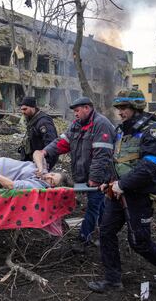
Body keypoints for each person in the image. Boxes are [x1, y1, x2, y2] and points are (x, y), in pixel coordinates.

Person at [88, 89, 156, 293]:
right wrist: (108, 181)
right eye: (119, 108)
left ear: (136, 107)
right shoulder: (121, 130)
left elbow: (150, 166)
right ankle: (113, 280)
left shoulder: (154, 131)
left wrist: (122, 185)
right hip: (117, 194)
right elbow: (116, 161)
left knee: (139, 242)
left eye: (123, 108)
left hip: (139, 196)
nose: (120, 112)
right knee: (106, 232)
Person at [39, 96, 115, 251]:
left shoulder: (101, 125)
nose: (75, 113)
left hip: (100, 176)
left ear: (87, 108)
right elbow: (62, 143)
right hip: (84, 175)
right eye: (74, 111)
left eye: (77, 110)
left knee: (93, 205)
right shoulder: (76, 125)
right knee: (99, 205)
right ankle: (105, 233)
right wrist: (45, 151)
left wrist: (95, 178)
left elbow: (102, 155)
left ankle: (84, 238)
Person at [18, 96, 58, 169]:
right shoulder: (31, 119)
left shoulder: (44, 122)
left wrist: (45, 164)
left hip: (41, 160)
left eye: (25, 109)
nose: (22, 112)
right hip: (32, 159)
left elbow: (51, 144)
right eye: (21, 109)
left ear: (33, 107)